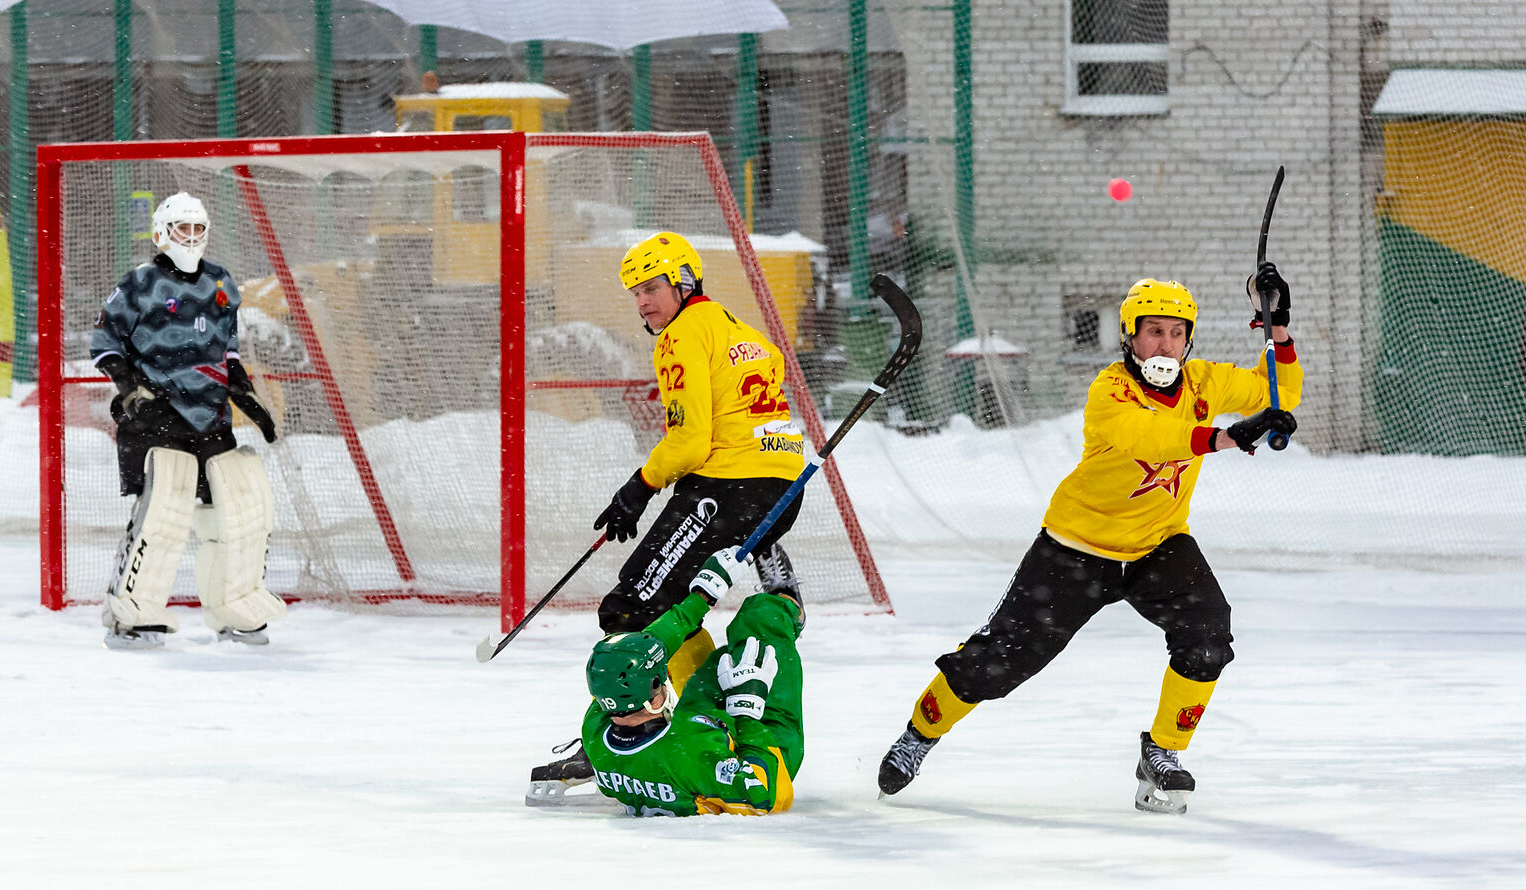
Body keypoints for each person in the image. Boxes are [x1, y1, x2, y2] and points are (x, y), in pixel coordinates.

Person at [876, 265, 1302, 815]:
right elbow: (1152, 437)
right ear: (1129, 335)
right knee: (1000, 662)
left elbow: (1280, 390)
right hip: (1076, 549)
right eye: (1154, 331)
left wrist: (1278, 325)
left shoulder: (1205, 382)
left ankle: (1162, 752)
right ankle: (919, 733)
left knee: (1208, 635)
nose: (1165, 344)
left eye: (1177, 333)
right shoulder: (1110, 389)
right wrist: (1225, 436)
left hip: (1157, 545)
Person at [528, 231, 808, 794]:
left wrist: (640, 486)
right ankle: (709, 709)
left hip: (729, 487)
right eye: (635, 293)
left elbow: (690, 442)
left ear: (683, 282)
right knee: (669, 605)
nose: (643, 303)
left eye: (652, 288)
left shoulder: (681, 335)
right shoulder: (740, 330)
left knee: (632, 610)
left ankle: (647, 725)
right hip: (779, 488)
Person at [90, 191, 286, 649]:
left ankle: (235, 607)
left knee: (237, 511)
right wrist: (130, 387)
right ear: (162, 233)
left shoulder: (220, 282)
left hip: (211, 418)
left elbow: (227, 347)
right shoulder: (140, 284)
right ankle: (132, 615)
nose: (192, 237)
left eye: (199, 228)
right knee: (164, 512)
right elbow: (104, 342)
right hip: (156, 416)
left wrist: (242, 390)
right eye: (183, 228)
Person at [573, 547, 805, 816]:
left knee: (719, 659)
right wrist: (747, 711)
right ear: (652, 693)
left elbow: (652, 644)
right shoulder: (692, 752)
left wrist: (700, 597)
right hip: (763, 754)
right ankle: (785, 597)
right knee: (762, 622)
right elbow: (764, 797)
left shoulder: (597, 731)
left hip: (693, 739)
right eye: (661, 677)